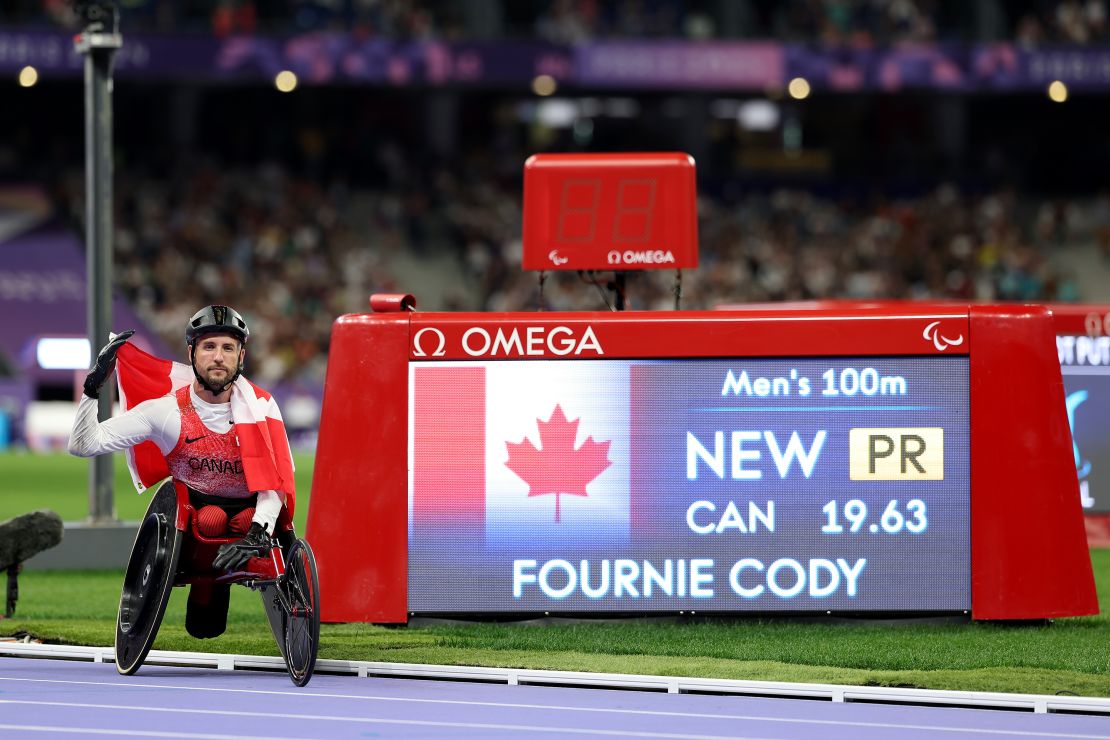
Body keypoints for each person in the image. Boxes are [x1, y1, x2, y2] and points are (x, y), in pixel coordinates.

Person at [69, 305, 293, 638]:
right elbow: (83, 445)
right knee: (211, 519)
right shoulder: (166, 412)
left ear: (241, 355)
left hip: (255, 516)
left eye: (228, 348)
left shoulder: (262, 406)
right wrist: (93, 389)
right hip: (194, 522)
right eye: (209, 347)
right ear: (192, 353)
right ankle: (206, 585)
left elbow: (276, 482)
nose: (218, 357)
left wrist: (259, 531)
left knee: (246, 519)